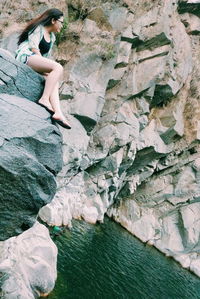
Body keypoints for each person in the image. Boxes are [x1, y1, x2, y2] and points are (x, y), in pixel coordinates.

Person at [15, 8, 71, 129]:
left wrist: (46, 70)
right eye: (61, 22)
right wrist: (46, 67)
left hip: (35, 61)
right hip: (26, 57)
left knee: (53, 79)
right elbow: (34, 50)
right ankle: (44, 99)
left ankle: (58, 113)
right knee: (57, 67)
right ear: (53, 20)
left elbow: (46, 58)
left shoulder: (52, 38)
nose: (62, 25)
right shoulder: (38, 28)